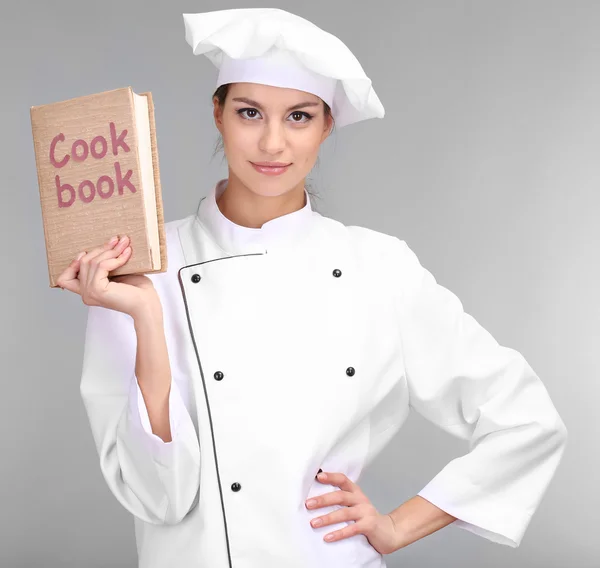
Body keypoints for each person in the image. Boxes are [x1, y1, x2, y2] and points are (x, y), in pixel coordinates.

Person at [57, 8, 568, 568]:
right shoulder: (140, 267)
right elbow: (158, 499)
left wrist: (398, 525)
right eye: (250, 112)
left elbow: (526, 419)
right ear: (218, 114)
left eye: (298, 117)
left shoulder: (378, 266)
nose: (273, 142)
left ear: (326, 127)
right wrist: (148, 320)